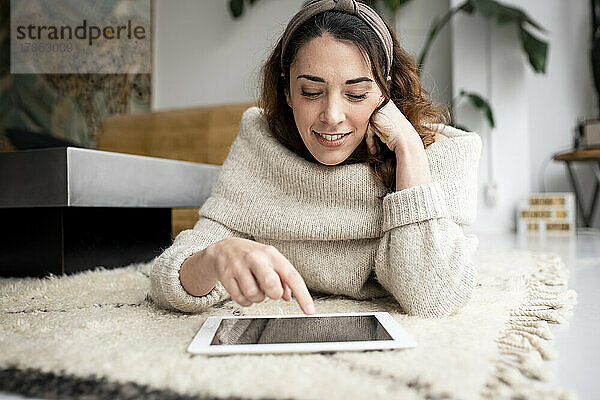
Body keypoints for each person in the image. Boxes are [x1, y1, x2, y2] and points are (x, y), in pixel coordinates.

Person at [149, 0, 482, 318]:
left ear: (386, 90)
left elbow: (436, 298)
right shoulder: (260, 145)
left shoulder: (438, 154)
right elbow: (166, 282)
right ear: (287, 91)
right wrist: (213, 257)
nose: (332, 116)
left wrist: (408, 148)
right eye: (311, 92)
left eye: (356, 94)